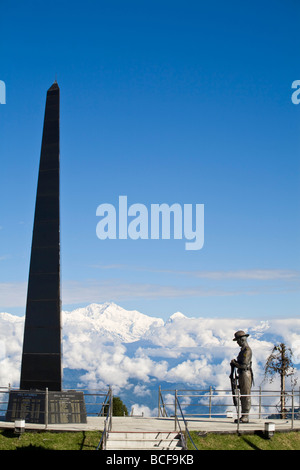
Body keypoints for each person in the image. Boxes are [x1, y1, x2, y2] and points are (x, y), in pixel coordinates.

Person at [230, 330, 253, 423]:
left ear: (242, 340)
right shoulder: (243, 350)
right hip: (242, 374)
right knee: (243, 394)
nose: (237, 343)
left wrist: (235, 363)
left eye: (238, 341)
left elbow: (244, 365)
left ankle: (245, 415)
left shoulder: (247, 351)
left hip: (245, 373)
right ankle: (244, 415)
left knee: (245, 394)